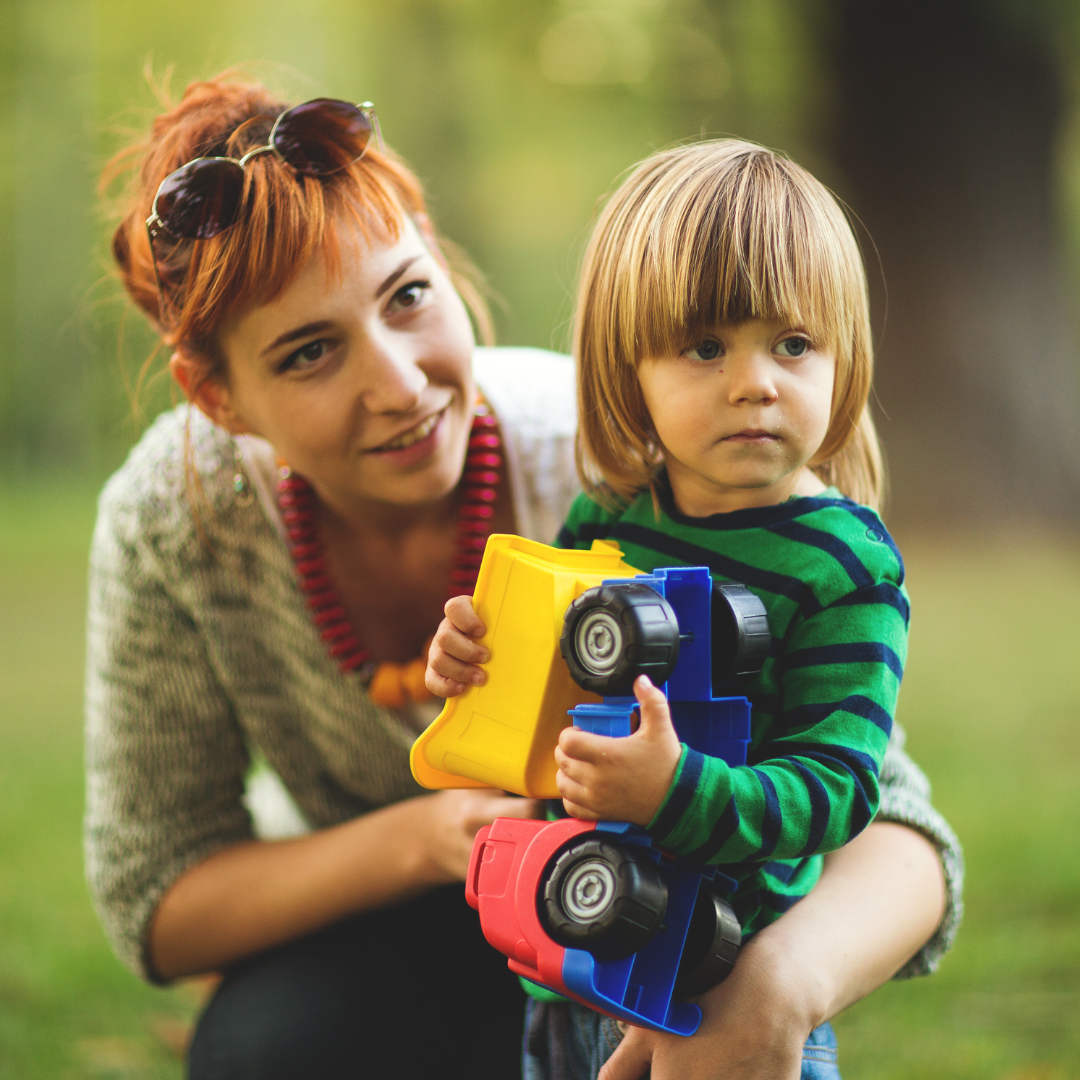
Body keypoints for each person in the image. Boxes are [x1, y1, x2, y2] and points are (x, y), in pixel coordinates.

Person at [86, 72, 960, 1080]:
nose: (401, 386)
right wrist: (437, 829)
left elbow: (887, 811)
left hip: (668, 918)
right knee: (266, 1052)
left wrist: (777, 988)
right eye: (310, 352)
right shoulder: (177, 522)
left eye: (407, 296)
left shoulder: (631, 460)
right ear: (219, 398)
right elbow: (158, 895)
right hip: (435, 922)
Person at [427, 140, 961, 1080]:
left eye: (793, 344)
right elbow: (549, 713)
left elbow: (839, 790)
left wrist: (676, 793)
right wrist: (475, 670)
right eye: (706, 346)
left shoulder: (845, 564)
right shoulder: (609, 519)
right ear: (627, 367)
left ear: (845, 356)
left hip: (719, 998)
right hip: (570, 963)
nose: (755, 381)